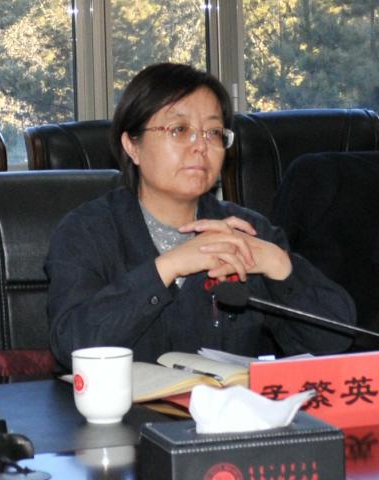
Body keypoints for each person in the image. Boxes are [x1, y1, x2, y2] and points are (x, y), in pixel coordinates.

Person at [45, 63, 356, 370]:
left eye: (213, 133)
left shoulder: (246, 232)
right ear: (132, 146)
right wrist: (169, 266)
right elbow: (72, 345)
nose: (201, 147)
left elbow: (335, 341)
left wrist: (279, 265)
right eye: (180, 130)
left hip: (228, 403)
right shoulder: (87, 232)